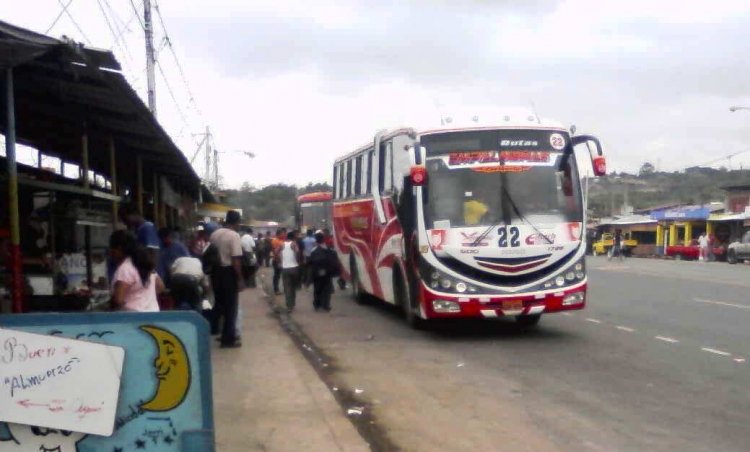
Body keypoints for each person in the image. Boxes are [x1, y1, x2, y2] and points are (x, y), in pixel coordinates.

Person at [209, 211, 245, 348]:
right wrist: (240, 278)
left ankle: (215, 330)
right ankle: (228, 339)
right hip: (228, 272)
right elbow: (236, 260)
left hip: (215, 272)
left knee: (219, 303)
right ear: (236, 222)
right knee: (231, 307)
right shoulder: (234, 235)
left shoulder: (215, 234)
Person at [109, 230, 163, 312]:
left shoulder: (125, 268)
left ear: (119, 249)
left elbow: (119, 300)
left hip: (133, 318)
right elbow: (160, 287)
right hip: (153, 314)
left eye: (112, 250)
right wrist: (145, 297)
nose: (112, 254)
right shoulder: (145, 263)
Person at [309, 232, 339, 311]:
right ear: (323, 239)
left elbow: (310, 262)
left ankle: (317, 305)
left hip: (317, 272)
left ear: (316, 240)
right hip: (326, 272)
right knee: (326, 289)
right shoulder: (328, 249)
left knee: (317, 288)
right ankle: (326, 305)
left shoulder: (313, 250)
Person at [280, 231, 300, 313]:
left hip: (285, 268)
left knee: (287, 287)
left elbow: (276, 251)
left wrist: (281, 260)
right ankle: (293, 303)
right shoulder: (294, 244)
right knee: (293, 287)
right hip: (294, 268)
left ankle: (289, 306)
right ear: (293, 238)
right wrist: (297, 259)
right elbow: (298, 252)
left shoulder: (282, 244)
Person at [271, 229, 286, 295]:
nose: (284, 235)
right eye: (282, 233)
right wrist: (278, 261)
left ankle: (285, 289)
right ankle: (276, 290)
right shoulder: (275, 241)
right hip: (277, 261)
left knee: (283, 275)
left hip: (283, 261)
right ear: (279, 234)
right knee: (277, 276)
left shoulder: (282, 240)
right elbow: (275, 252)